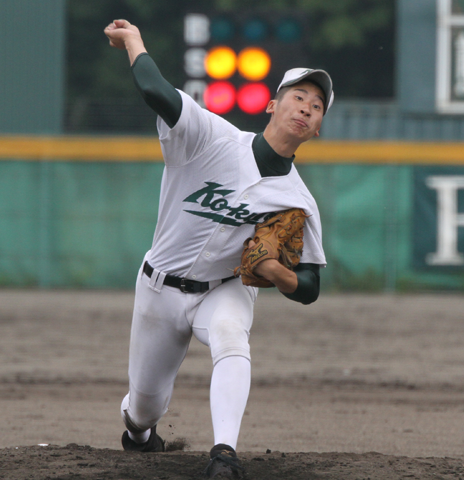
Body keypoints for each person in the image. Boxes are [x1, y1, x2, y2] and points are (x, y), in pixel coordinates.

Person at [104, 19, 334, 479]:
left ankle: (224, 455)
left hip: (223, 288)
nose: (307, 108)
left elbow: (309, 286)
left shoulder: (299, 200)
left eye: (317, 106)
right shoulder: (211, 137)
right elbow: (154, 90)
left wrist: (276, 272)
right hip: (160, 288)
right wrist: (133, 41)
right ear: (272, 105)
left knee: (232, 336)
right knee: (145, 407)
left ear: (318, 128)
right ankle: (141, 433)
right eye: (298, 97)